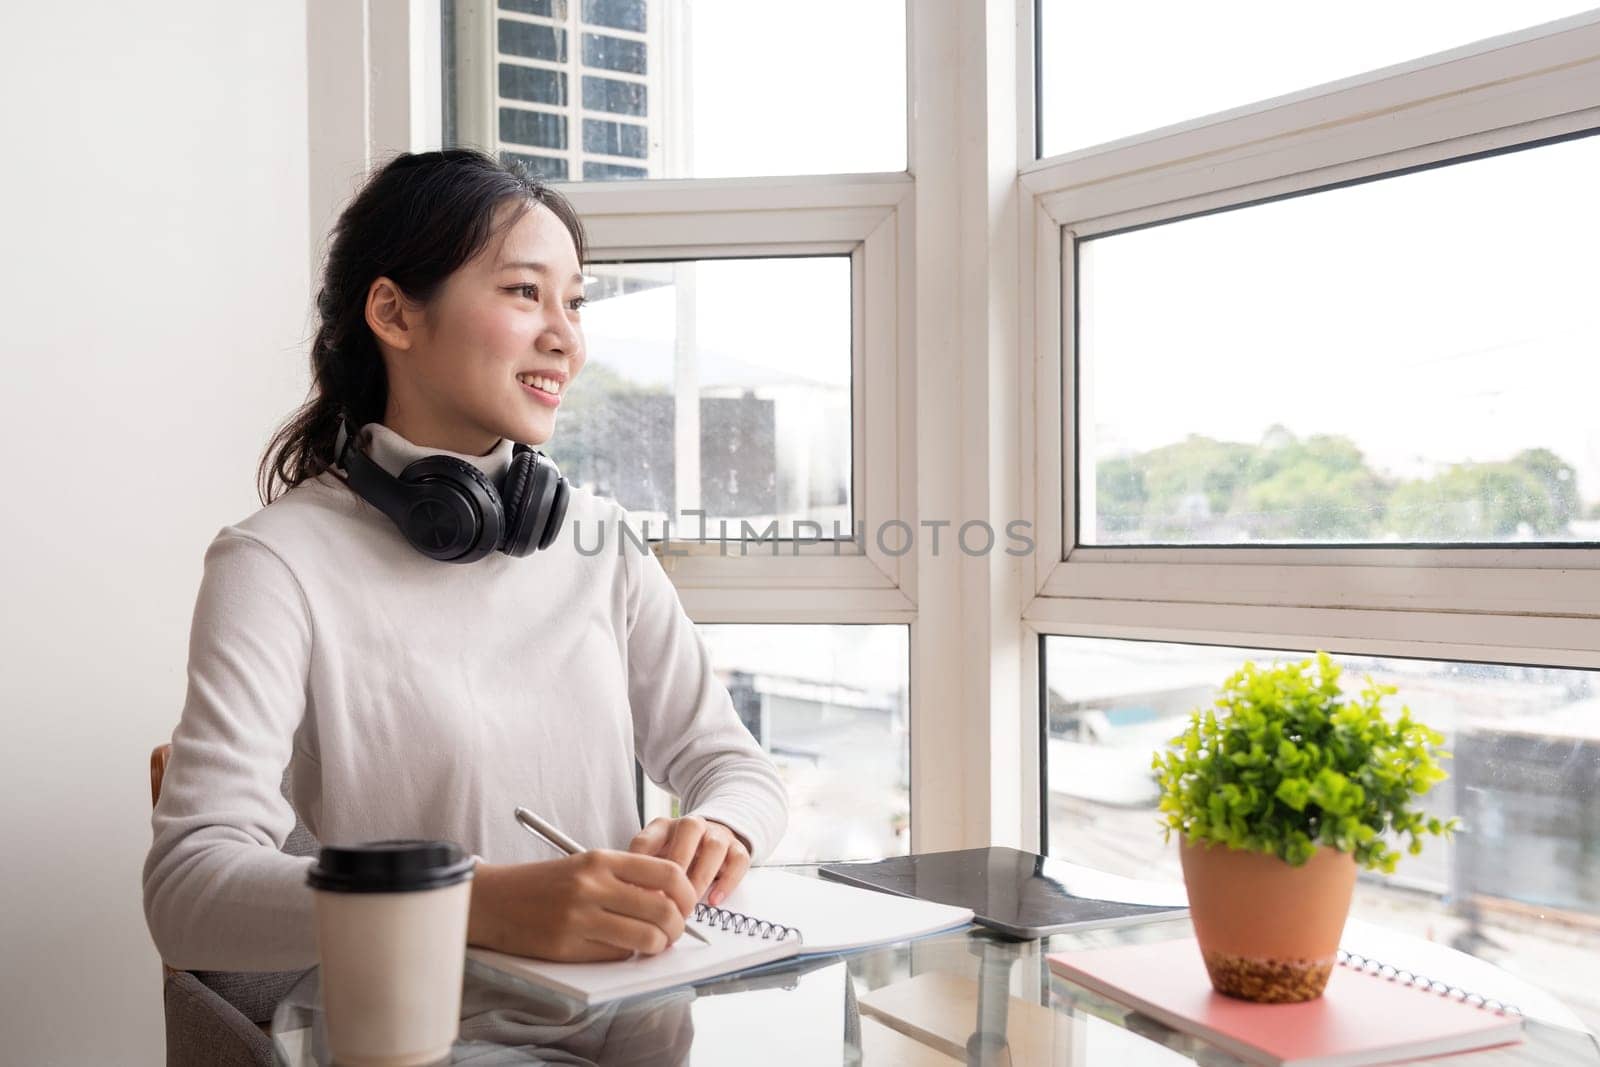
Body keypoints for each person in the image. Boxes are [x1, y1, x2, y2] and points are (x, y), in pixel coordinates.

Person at [143, 148, 787, 972]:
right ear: (395, 313)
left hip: (630, 1031)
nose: (566, 338)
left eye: (575, 303)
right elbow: (190, 889)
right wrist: (470, 905)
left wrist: (719, 829)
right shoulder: (274, 564)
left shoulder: (600, 541)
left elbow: (736, 766)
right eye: (525, 292)